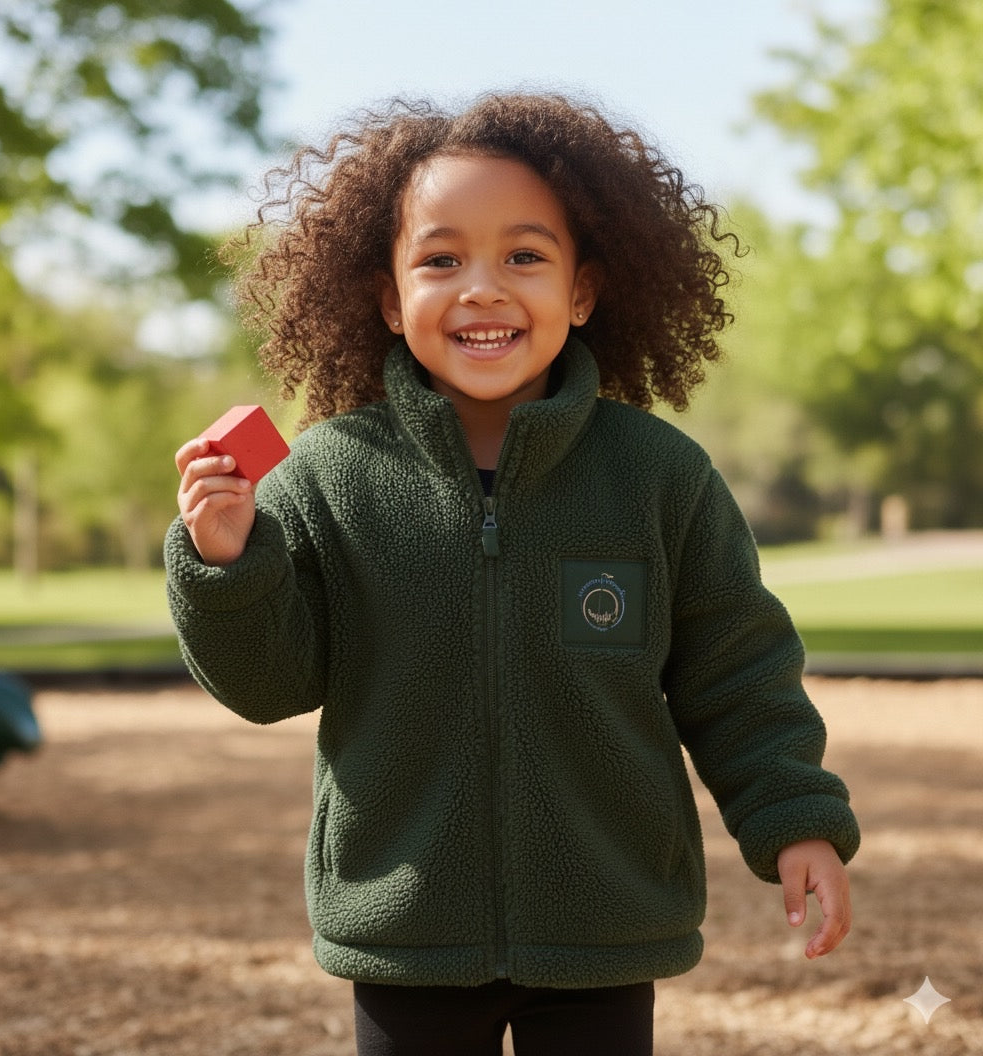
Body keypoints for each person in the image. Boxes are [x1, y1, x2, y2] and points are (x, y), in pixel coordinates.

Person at [165, 93, 860, 1056]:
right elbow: (268, 682)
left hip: (603, 923)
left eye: (524, 257)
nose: (482, 288)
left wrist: (797, 822)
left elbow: (735, 673)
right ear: (387, 297)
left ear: (582, 293)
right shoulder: (328, 474)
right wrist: (228, 558)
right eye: (441, 259)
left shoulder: (658, 477)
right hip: (405, 924)